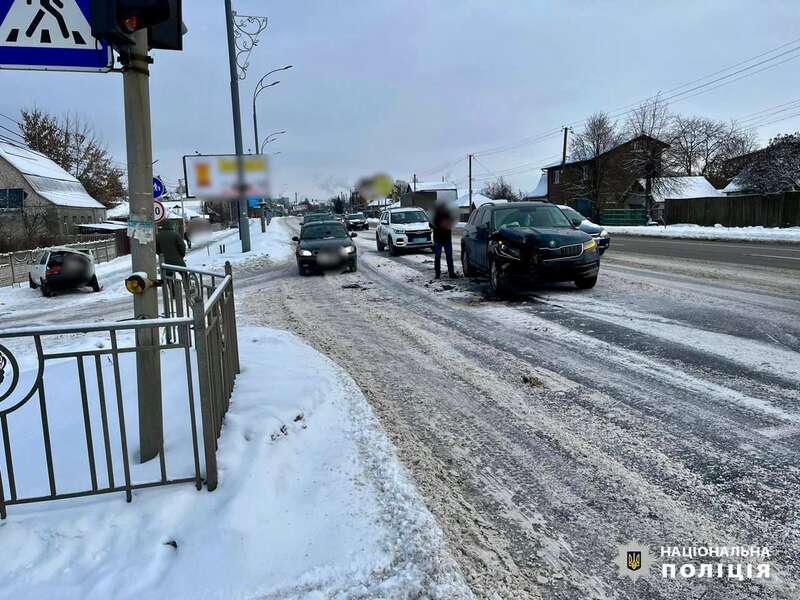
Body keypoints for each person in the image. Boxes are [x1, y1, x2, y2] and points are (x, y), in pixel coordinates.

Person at [432, 200, 458, 279]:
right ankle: (437, 274)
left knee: (449, 256)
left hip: (446, 238)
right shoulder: (435, 215)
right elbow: (430, 224)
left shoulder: (448, 215)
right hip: (438, 239)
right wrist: (437, 226)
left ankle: (451, 273)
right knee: (437, 256)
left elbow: (451, 223)